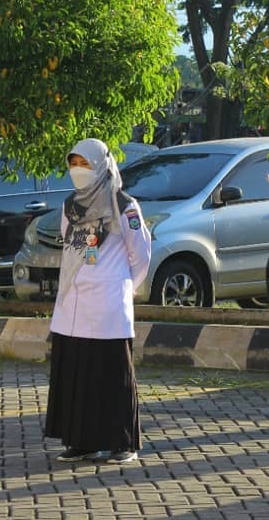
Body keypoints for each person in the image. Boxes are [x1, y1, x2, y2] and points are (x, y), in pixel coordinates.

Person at [44, 138, 152, 463]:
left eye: (85, 164)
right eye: (73, 163)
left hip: (108, 303)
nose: (78, 171)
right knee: (77, 372)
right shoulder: (71, 205)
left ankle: (122, 443)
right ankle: (82, 440)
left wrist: (122, 287)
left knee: (112, 373)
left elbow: (142, 255)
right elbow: (72, 248)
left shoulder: (124, 204)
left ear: (102, 165)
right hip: (73, 302)